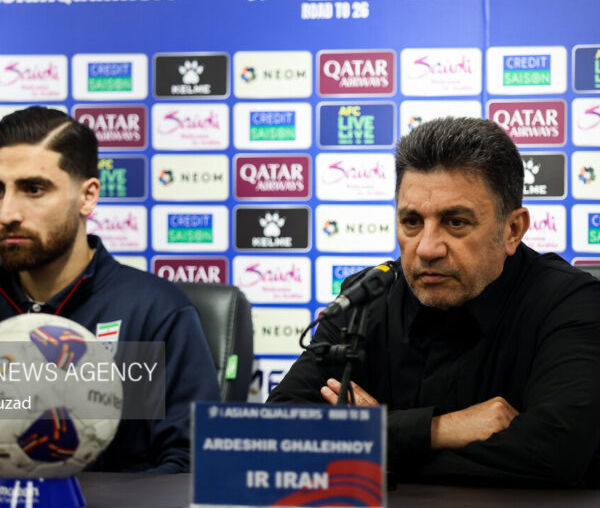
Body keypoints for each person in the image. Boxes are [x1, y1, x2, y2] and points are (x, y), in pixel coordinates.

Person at [268, 116, 600, 488]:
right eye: (412, 222)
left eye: (455, 222)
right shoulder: (364, 300)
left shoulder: (568, 303)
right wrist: (438, 430)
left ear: (512, 230)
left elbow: (557, 453)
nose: (426, 248)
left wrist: (367, 441)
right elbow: (277, 432)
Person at [0, 106, 220, 473]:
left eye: (33, 189)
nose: (8, 213)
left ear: (87, 197)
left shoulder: (156, 313)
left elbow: (193, 463)